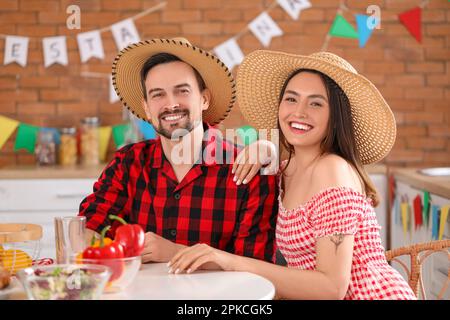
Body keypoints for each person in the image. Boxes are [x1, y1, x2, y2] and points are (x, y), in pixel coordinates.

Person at [168, 50, 417, 300]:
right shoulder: (287, 170)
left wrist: (231, 261)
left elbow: (332, 288)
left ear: (335, 117)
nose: (299, 112)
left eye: (316, 103)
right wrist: (264, 146)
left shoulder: (331, 170)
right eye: (291, 99)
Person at [78, 38, 278, 264]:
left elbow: (256, 266)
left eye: (182, 91)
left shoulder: (248, 168)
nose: (170, 104)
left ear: (204, 99)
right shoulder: (128, 162)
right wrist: (88, 241)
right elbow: (90, 225)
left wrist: (175, 253)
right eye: (158, 94)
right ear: (146, 108)